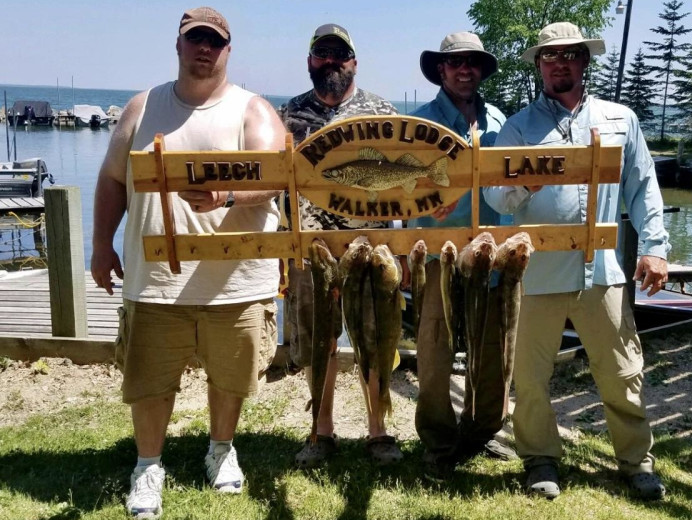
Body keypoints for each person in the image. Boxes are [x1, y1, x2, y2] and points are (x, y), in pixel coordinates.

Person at [90, 7, 285, 518]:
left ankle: (221, 450)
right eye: (194, 39)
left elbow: (277, 174)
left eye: (214, 41)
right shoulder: (140, 107)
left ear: (227, 50)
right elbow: (112, 178)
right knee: (149, 381)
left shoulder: (252, 109)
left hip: (235, 280)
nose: (204, 48)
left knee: (230, 378)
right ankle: (148, 464)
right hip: (155, 279)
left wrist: (227, 194)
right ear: (177, 45)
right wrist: (101, 245)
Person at [483, 22, 669, 500]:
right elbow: (496, 197)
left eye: (569, 54)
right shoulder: (518, 127)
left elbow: (643, 186)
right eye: (550, 56)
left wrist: (654, 247)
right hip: (536, 272)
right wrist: (526, 183)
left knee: (623, 371)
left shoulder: (621, 118)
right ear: (540, 66)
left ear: (585, 61)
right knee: (529, 377)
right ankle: (540, 458)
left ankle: (636, 462)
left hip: (601, 271)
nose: (559, 62)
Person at [279, 23, 402, 468]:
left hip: (372, 252)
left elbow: (404, 184)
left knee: (376, 337)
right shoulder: (289, 114)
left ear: (354, 61)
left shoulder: (381, 110)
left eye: (339, 54)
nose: (331, 61)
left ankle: (379, 429)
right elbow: (278, 185)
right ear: (310, 61)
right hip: (312, 254)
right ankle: (321, 429)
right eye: (322, 54)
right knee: (318, 343)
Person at [406, 32, 515, 480]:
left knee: (493, 349)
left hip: (491, 257)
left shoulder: (499, 119)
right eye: (455, 63)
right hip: (437, 255)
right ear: (441, 70)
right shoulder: (417, 123)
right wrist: (425, 198)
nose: (464, 69)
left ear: (481, 70)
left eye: (472, 63)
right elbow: (401, 188)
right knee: (434, 348)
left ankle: (482, 430)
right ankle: (437, 440)